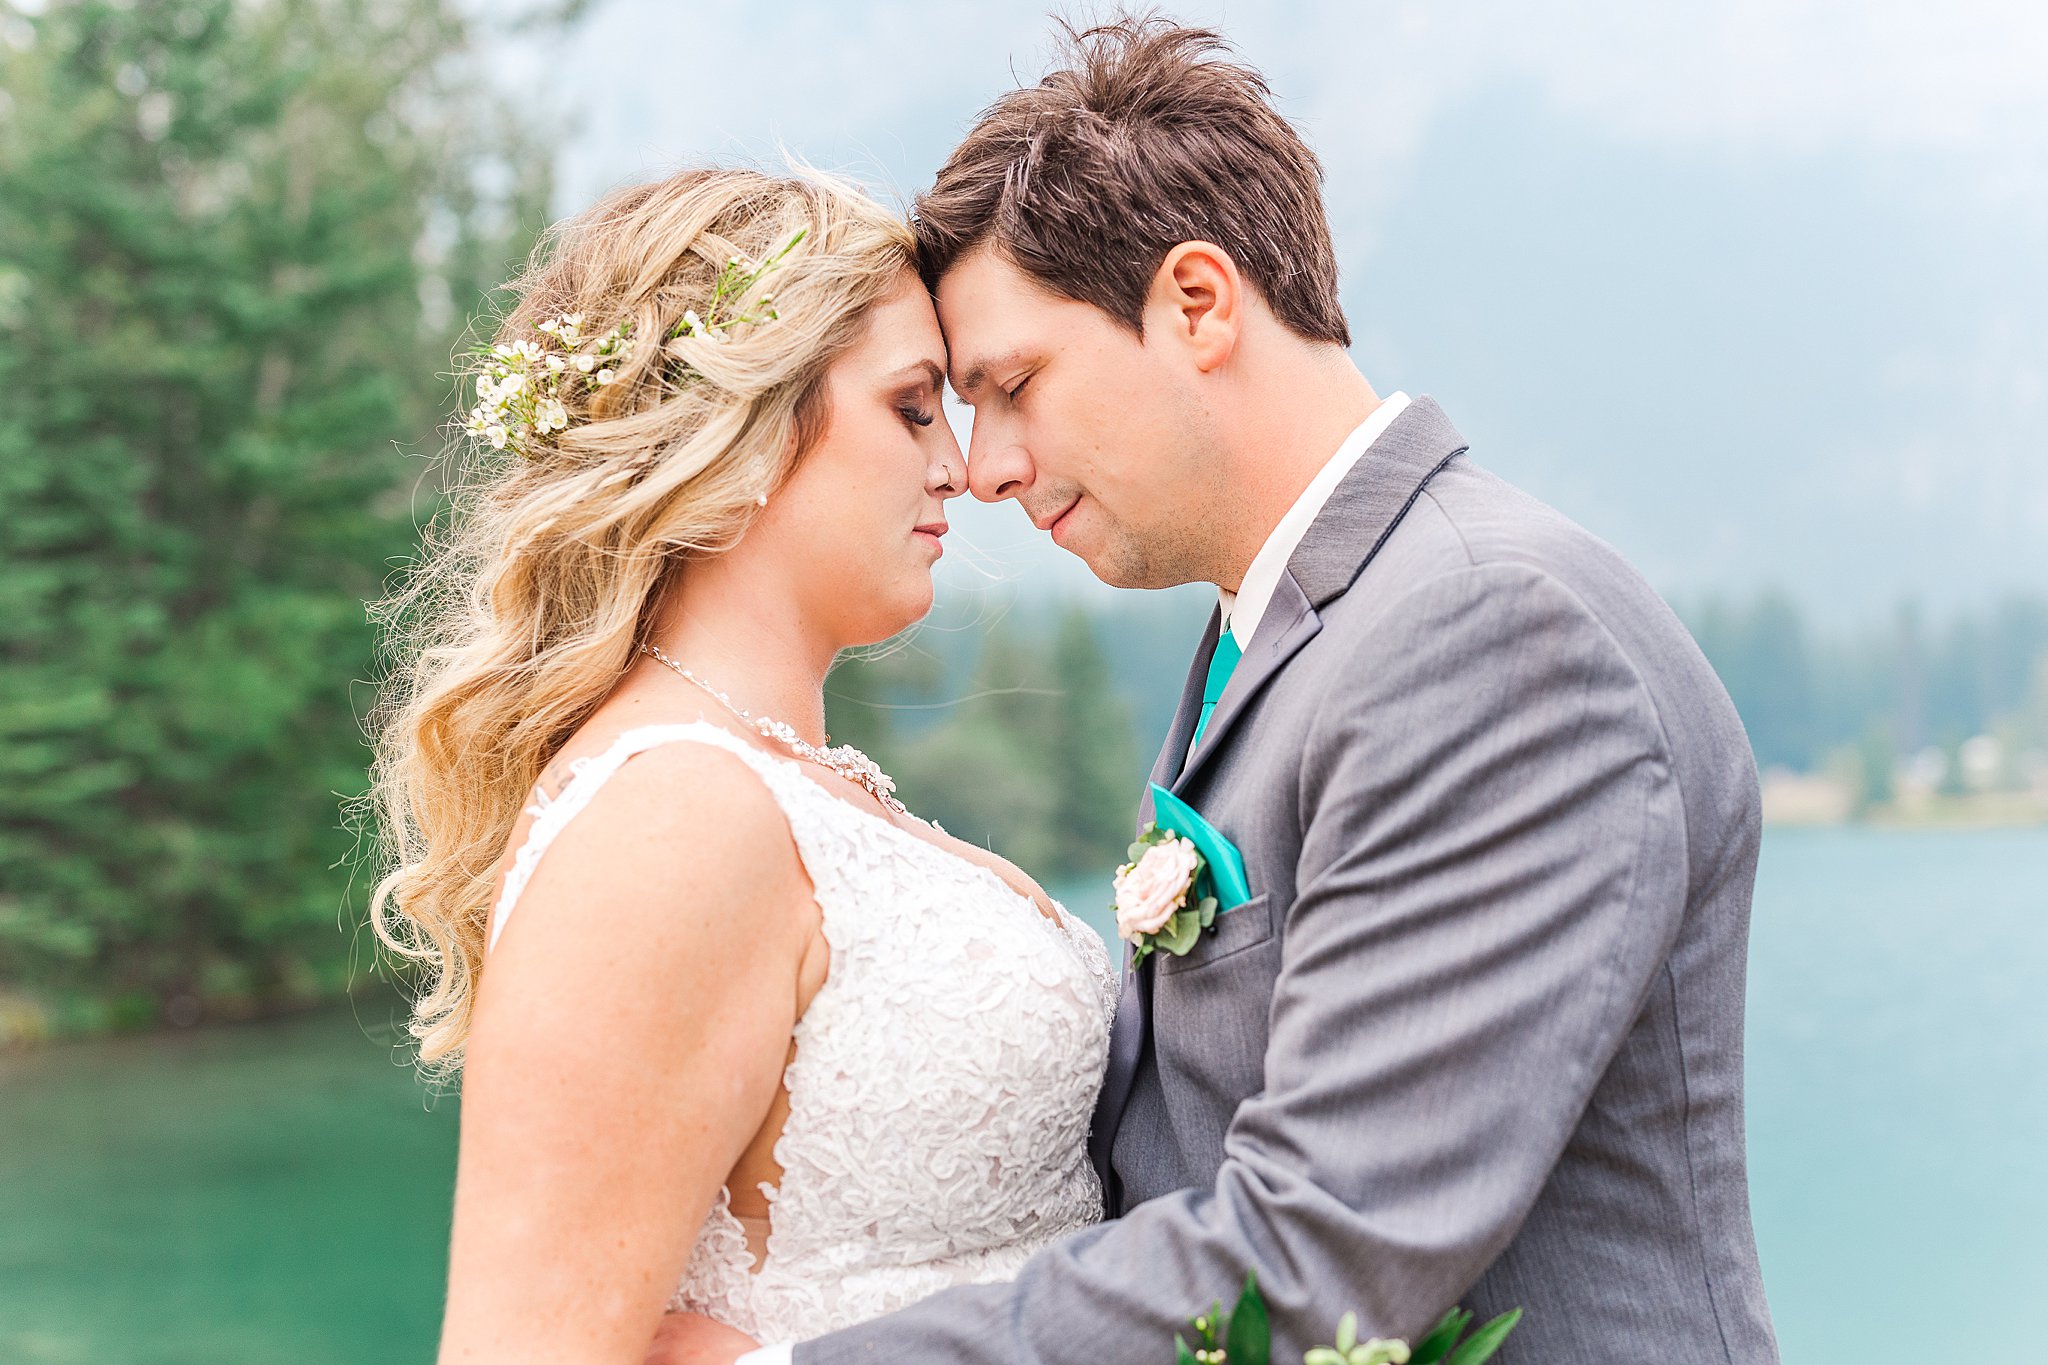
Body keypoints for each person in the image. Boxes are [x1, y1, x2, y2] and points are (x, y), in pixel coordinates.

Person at [655, 16, 1779, 1365]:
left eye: (1014, 386)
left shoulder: (1491, 631)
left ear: (1196, 302)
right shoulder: (1295, 627)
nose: (987, 467)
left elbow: (1320, 1245)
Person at [367, 166, 1120, 1365]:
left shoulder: (786, 779)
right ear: (749, 426)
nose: (959, 467)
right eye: (910, 408)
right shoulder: (667, 816)